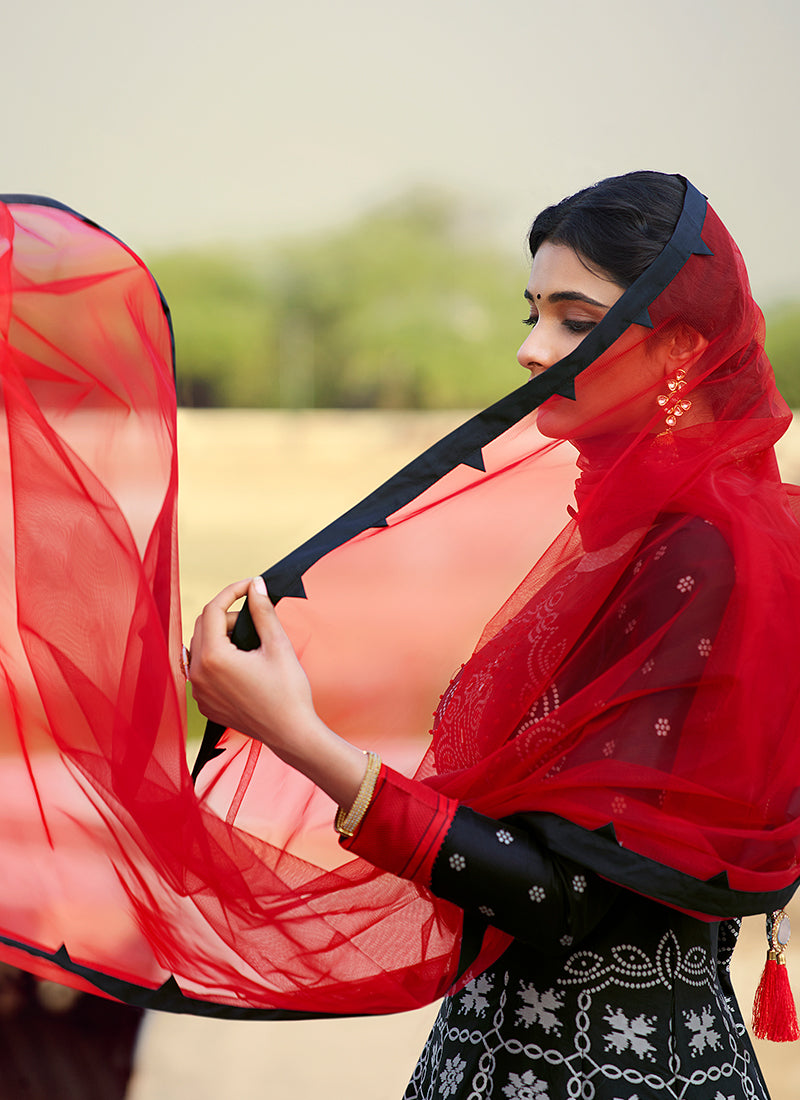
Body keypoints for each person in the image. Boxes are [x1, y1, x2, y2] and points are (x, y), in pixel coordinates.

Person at [186, 172, 800, 1099]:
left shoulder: (709, 554)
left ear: (678, 345)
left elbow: (569, 896)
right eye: (533, 314)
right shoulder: (638, 539)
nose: (528, 350)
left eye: (574, 322)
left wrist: (297, 737)